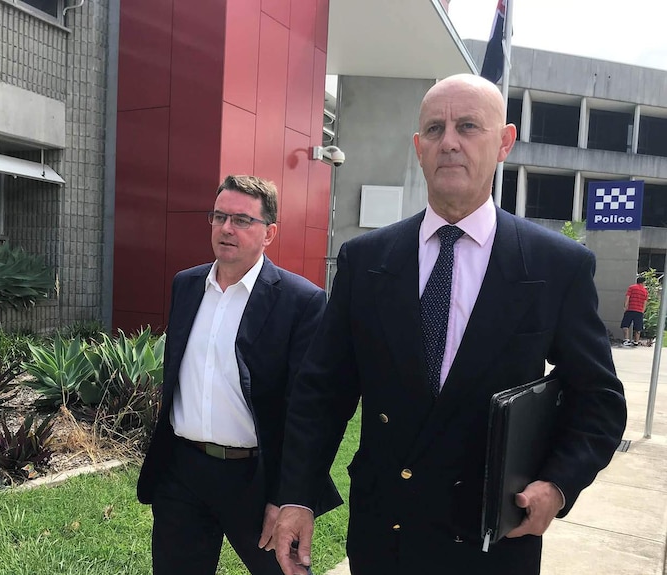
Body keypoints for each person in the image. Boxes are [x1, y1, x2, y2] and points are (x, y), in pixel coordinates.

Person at [269, 74, 627, 575]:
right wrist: (297, 496)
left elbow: (599, 400)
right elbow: (321, 391)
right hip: (386, 532)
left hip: (493, 537)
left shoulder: (556, 266)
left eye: (468, 127)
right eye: (435, 129)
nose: (450, 142)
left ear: (504, 142)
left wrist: (558, 484)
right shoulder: (367, 260)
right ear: (419, 148)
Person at [137, 174, 341, 575]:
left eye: (243, 220)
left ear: (270, 233)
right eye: (219, 216)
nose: (227, 228)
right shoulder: (187, 284)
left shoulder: (301, 301)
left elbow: (308, 410)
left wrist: (286, 497)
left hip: (257, 477)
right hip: (183, 471)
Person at [621, 277, 648, 346]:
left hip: (630, 309)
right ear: (643, 282)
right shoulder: (645, 291)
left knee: (625, 325)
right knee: (638, 327)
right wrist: (642, 311)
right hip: (639, 311)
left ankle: (626, 340)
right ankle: (636, 341)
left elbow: (627, 297)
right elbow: (645, 302)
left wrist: (625, 306)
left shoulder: (631, 288)